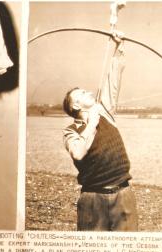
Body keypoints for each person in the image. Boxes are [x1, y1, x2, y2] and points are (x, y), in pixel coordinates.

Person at [62, 32, 138, 231]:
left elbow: (113, 79)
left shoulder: (104, 111)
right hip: (93, 199)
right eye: (82, 93)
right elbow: (78, 152)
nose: (88, 92)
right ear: (76, 104)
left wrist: (118, 46)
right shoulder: (71, 131)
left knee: (127, 251)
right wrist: (91, 124)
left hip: (123, 194)